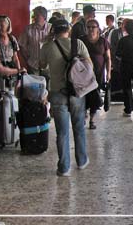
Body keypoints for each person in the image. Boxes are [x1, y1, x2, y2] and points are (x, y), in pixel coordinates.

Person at [39, 19, 90, 176]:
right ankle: (81, 161)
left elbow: (41, 65)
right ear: (68, 29)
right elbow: (89, 65)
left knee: (62, 132)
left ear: (53, 30)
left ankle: (64, 167)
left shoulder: (48, 47)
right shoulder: (78, 44)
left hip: (57, 92)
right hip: (76, 92)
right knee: (79, 127)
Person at [82, 19, 111, 129]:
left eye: (93, 27)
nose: (90, 29)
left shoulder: (103, 42)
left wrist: (108, 73)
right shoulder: (81, 40)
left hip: (98, 75)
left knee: (95, 96)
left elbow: (108, 58)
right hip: (83, 75)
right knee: (84, 96)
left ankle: (92, 120)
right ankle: (83, 115)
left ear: (98, 29)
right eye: (88, 27)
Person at [18, 6, 51, 75]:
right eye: (34, 15)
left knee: (48, 85)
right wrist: (27, 60)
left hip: (48, 65)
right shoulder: (28, 29)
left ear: (44, 17)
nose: (34, 17)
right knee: (34, 85)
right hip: (33, 65)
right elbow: (21, 45)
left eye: (37, 15)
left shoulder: (51, 28)